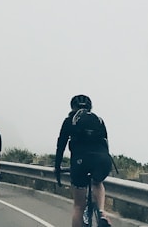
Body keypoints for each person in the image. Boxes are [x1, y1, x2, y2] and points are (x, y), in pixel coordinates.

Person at [54, 94, 113, 227]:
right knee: (97, 183)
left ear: (72, 107)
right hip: (103, 160)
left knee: (79, 206)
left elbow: (61, 145)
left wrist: (57, 167)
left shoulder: (69, 120)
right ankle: (102, 213)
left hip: (80, 162)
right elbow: (106, 143)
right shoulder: (99, 120)